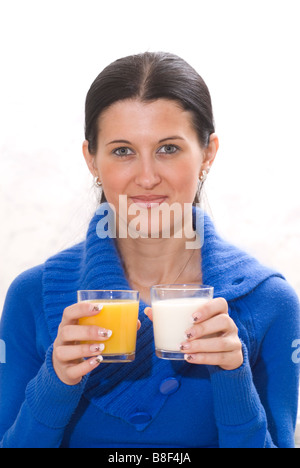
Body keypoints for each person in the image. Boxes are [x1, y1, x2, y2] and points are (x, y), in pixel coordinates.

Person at [0, 52, 299, 449]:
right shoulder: (31, 297)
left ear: (208, 153)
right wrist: (54, 384)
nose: (146, 177)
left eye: (168, 149)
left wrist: (233, 377)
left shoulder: (270, 303)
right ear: (91, 158)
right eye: (122, 150)